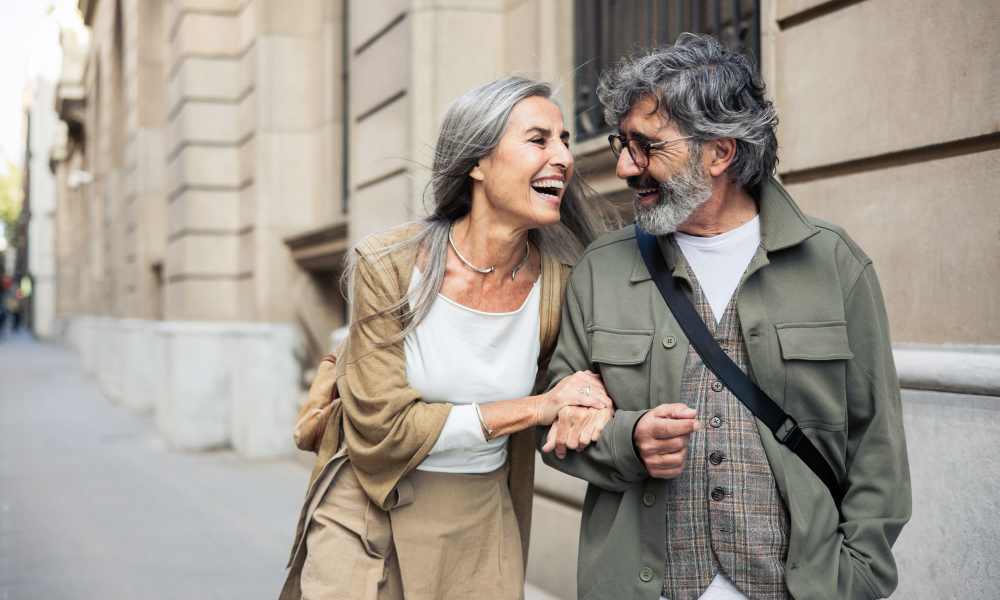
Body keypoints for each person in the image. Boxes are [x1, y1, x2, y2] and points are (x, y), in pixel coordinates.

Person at [539, 34, 911, 600]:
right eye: (622, 142)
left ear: (719, 152)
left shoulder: (834, 265)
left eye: (647, 146)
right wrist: (629, 439)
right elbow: (555, 420)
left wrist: (855, 578)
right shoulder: (601, 269)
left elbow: (877, 447)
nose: (622, 165)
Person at [280, 77, 616, 600]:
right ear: (477, 163)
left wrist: (584, 405)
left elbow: (586, 386)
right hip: (368, 508)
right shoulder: (388, 266)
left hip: (480, 519)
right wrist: (538, 408)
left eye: (565, 139)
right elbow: (384, 430)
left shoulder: (562, 281)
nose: (564, 158)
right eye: (538, 139)